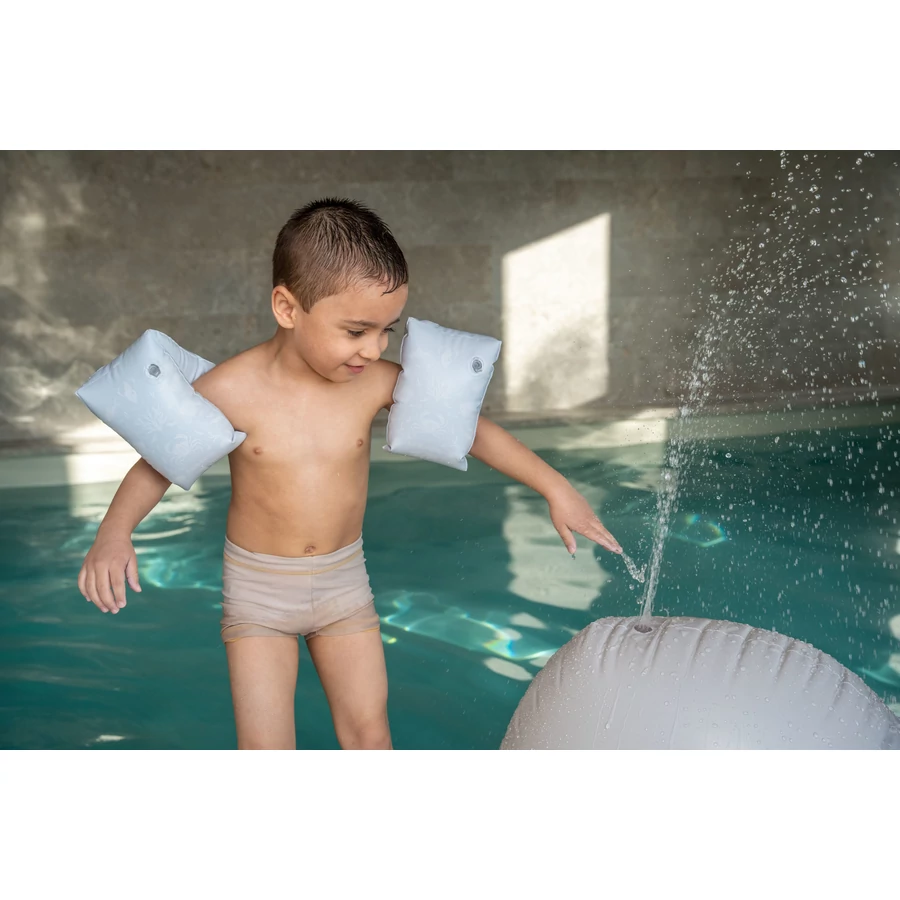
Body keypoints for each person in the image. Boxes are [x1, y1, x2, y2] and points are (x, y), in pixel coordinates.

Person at [77, 198, 622, 750]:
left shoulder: (374, 382)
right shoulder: (231, 389)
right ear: (287, 308)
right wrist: (113, 533)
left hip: (344, 586)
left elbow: (472, 432)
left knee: (369, 739)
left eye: (386, 330)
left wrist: (555, 487)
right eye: (357, 330)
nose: (375, 348)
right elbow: (157, 463)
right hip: (259, 595)